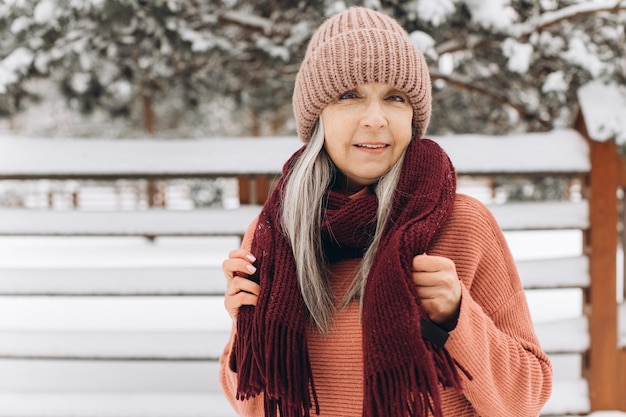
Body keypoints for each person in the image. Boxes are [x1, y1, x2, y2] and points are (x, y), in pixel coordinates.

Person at [220, 6, 552, 417]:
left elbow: (526, 399)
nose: (375, 119)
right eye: (349, 95)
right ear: (317, 117)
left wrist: (456, 318)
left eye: (394, 97)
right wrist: (248, 324)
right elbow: (253, 406)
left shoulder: (462, 225)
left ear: (413, 117)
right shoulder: (274, 233)